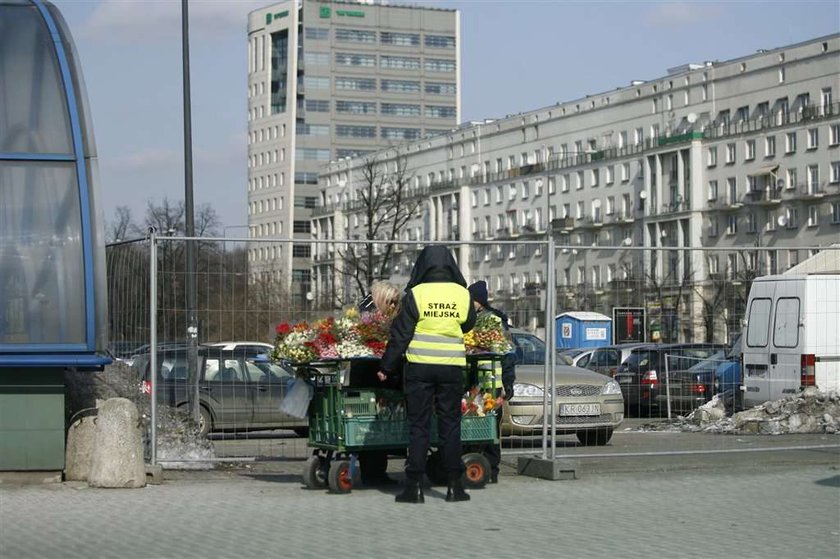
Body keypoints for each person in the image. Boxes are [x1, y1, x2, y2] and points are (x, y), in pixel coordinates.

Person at [378, 246, 476, 503]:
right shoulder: (462, 294)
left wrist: (386, 367)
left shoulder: (416, 294)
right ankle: (455, 486)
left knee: (419, 428)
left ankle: (414, 487)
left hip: (419, 369)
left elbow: (401, 334)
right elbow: (468, 324)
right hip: (452, 368)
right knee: (450, 427)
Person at [350, 280, 402, 486]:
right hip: (370, 375)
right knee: (371, 423)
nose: (393, 306)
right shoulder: (369, 318)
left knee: (378, 424)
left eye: (395, 302)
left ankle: (375, 472)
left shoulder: (374, 314)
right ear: (380, 299)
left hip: (378, 375)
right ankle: (373, 474)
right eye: (390, 301)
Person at [467, 280, 516, 484]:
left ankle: (491, 469)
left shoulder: (492, 321)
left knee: (490, 426)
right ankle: (482, 466)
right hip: (478, 381)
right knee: (476, 424)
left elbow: (506, 354)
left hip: (491, 383)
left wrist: (508, 382)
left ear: (478, 301)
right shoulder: (475, 318)